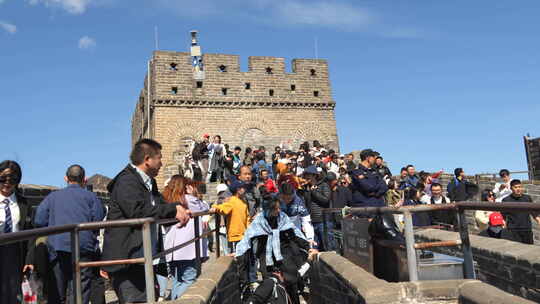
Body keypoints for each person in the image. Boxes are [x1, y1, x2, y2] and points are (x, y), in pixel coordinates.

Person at [102, 139, 191, 303]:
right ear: (148, 160)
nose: (161, 163)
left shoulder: (148, 182)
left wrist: (179, 209)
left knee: (149, 298)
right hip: (126, 259)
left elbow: (159, 206)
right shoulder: (126, 181)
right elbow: (136, 212)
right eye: (159, 158)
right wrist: (173, 210)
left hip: (142, 257)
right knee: (137, 300)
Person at [34, 164, 105, 304]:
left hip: (57, 248)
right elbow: (98, 218)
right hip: (83, 249)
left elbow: (39, 219)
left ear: (66, 178)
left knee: (56, 291)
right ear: (85, 180)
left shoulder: (53, 197)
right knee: (80, 292)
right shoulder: (91, 197)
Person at [235, 196, 315, 304]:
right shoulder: (258, 222)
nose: (279, 211)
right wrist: (239, 252)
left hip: (285, 257)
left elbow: (295, 234)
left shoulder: (283, 218)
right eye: (275, 209)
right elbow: (246, 240)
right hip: (267, 260)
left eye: (279, 208)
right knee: (271, 289)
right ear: (268, 209)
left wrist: (308, 247)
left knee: (292, 285)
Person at [162, 176, 209, 299]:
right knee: (189, 279)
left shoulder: (169, 200)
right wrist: (192, 193)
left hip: (173, 250)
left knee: (178, 281)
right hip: (187, 250)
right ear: (186, 187)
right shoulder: (189, 200)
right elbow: (205, 208)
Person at [0, 160, 34, 304]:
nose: (7, 184)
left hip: (15, 254)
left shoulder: (24, 204)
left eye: (12, 181)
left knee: (14, 296)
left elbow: (31, 234)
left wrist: (29, 260)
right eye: (2, 180)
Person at [299, 165, 334, 251]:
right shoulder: (307, 188)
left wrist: (314, 191)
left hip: (323, 221)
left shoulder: (323, 185)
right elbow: (306, 204)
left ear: (314, 175)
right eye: (305, 175)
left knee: (328, 246)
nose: (306, 177)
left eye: (308, 175)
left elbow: (326, 200)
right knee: (314, 247)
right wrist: (305, 190)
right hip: (312, 221)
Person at [210, 180, 250, 253]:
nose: (245, 189)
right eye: (243, 188)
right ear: (238, 190)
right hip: (236, 234)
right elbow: (224, 208)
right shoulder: (232, 201)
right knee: (239, 256)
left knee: (242, 256)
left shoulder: (243, 202)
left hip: (243, 234)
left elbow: (247, 218)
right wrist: (215, 207)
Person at [501, 179, 540, 244]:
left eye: (519, 187)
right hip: (513, 230)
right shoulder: (506, 200)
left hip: (527, 229)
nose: (518, 189)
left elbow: (533, 213)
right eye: (515, 187)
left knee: (529, 250)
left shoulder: (527, 198)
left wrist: (538, 220)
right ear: (511, 188)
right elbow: (503, 217)